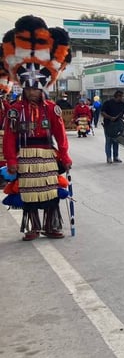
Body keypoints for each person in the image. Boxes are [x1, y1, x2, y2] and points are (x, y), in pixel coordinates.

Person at [1, 15, 72, 240]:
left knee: (50, 194)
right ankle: (33, 228)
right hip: (25, 157)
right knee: (29, 195)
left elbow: (60, 135)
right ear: (24, 89)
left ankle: (52, 226)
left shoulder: (52, 109)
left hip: (48, 156)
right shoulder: (14, 109)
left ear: (43, 89)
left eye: (37, 89)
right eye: (30, 89)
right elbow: (10, 138)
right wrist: (11, 161)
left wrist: (65, 155)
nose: (33, 92)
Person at [101, 90, 124, 164]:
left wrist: (123, 121)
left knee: (116, 141)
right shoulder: (108, 103)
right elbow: (103, 112)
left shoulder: (122, 104)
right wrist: (110, 118)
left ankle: (116, 157)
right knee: (108, 141)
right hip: (108, 125)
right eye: (121, 96)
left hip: (118, 126)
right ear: (117, 96)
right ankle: (109, 157)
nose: (122, 98)